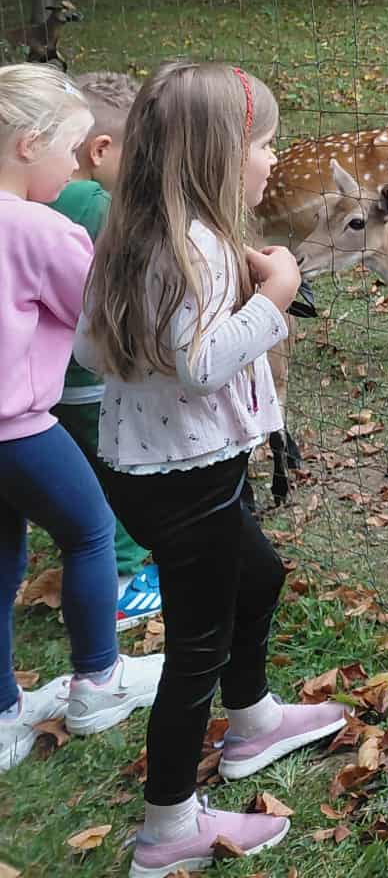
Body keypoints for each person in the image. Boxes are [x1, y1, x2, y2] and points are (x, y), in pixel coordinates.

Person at [75, 62, 348, 874]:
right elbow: (200, 366)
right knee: (196, 646)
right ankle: (167, 830)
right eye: (264, 144)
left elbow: (92, 346)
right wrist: (274, 299)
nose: (274, 159)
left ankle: (254, 718)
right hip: (188, 475)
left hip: (147, 465)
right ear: (217, 155)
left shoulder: (131, 233)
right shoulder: (197, 248)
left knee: (258, 577)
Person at [0, 65, 163, 774]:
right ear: (30, 144)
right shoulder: (40, 228)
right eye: (68, 154)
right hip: (20, 429)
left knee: (4, 558)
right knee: (91, 529)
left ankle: (4, 709)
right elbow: (100, 319)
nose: (73, 169)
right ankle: (99, 679)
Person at [46, 71, 158, 631]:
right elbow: (122, 277)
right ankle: (122, 578)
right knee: (111, 473)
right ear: (101, 149)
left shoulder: (31, 194)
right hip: (89, 377)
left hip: (42, 382)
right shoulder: (90, 200)